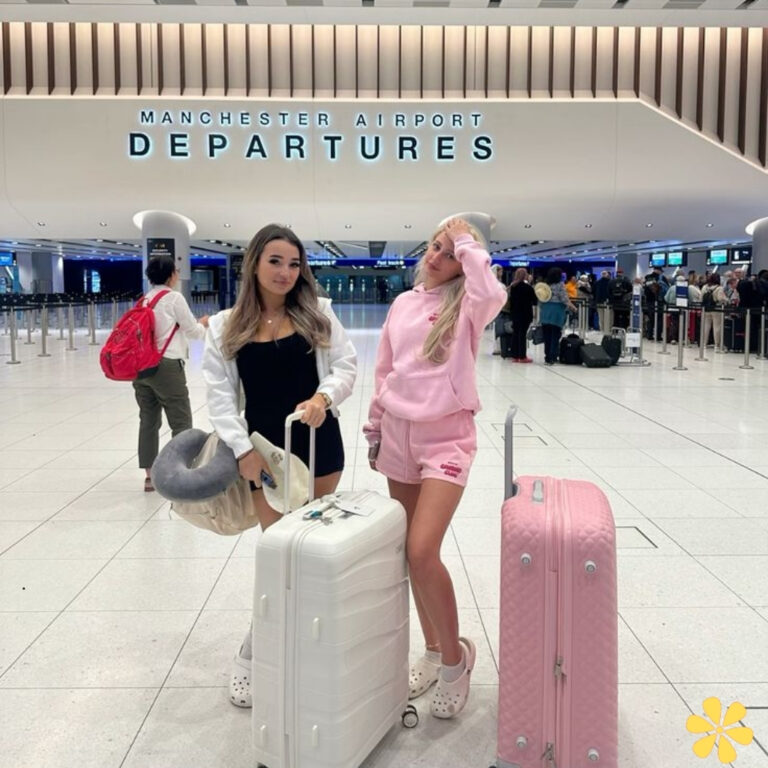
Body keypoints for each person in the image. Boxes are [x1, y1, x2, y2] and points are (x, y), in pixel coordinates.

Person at [202, 223, 357, 708]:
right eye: (275, 261)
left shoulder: (318, 313)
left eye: (294, 263)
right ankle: (256, 648)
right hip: (265, 454)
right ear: (254, 263)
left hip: (320, 445)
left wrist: (323, 396)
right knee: (277, 555)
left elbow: (346, 367)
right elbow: (220, 397)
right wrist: (242, 452)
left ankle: (314, 643)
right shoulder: (227, 325)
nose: (286, 272)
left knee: (316, 551)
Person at [363, 217, 506, 719]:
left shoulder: (468, 304)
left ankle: (455, 660)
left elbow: (491, 290)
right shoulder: (403, 303)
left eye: (448, 252)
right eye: (434, 247)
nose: (435, 256)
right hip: (398, 434)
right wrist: (375, 426)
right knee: (408, 553)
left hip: (446, 437)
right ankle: (428, 649)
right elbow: (385, 368)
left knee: (424, 551)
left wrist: (467, 242)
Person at [134, 255, 209, 492]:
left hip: (140, 367)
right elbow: (194, 331)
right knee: (181, 420)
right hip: (166, 366)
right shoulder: (173, 298)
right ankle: (181, 472)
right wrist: (204, 323)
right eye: (176, 271)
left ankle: (149, 477)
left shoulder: (144, 300)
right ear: (170, 275)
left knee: (148, 420)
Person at [540, 266, 577, 365]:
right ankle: (553, 356)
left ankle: (547, 357)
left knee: (547, 336)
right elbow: (564, 299)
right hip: (556, 311)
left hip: (546, 310)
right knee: (555, 335)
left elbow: (540, 299)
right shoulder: (560, 285)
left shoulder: (545, 285)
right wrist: (573, 307)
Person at [505, 267, 538, 362]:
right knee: (522, 335)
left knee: (515, 334)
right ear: (525, 275)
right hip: (525, 314)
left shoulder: (513, 287)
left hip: (514, 314)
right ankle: (522, 356)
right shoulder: (528, 288)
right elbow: (535, 301)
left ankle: (515, 356)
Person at [700, 273, 727, 351]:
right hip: (716, 309)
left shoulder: (705, 287)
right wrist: (727, 300)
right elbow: (720, 298)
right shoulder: (719, 288)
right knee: (717, 327)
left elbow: (701, 298)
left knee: (706, 326)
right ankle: (716, 345)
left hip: (706, 309)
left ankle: (704, 344)